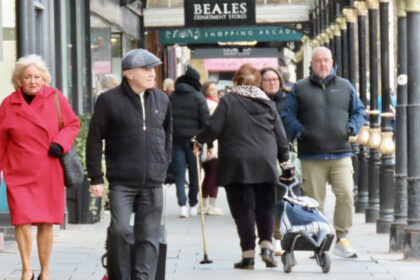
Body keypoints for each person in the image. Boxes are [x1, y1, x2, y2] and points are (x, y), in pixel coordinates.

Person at [193, 64, 294, 270]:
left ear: (236, 81)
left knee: (243, 210)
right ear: (258, 82)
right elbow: (281, 139)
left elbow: (214, 127)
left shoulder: (229, 100)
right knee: (266, 206)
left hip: (236, 164)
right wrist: (286, 166)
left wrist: (197, 140)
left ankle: (248, 256)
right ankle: (266, 247)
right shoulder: (268, 103)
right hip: (265, 162)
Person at [86, 48, 172, 280]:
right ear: (129, 73)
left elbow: (167, 136)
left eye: (153, 69)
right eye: (146, 69)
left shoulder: (162, 99)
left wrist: (163, 171)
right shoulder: (108, 101)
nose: (152, 74)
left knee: (149, 236)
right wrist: (95, 177)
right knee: (120, 231)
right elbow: (94, 138)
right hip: (122, 182)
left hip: (153, 181)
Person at [0, 54, 80, 280]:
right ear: (19, 80)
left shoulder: (56, 98)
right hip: (18, 170)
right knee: (21, 220)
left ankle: (45, 271)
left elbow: (73, 124)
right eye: (28, 77)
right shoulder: (8, 103)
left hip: (48, 168)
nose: (33, 81)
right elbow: (1, 140)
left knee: (46, 221)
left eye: (37, 77)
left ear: (44, 79)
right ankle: (26, 269)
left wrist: (60, 143)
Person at [282, 46, 366, 258]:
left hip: (341, 152)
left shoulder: (345, 86)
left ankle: (342, 237)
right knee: (313, 201)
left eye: (326, 60)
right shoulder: (300, 88)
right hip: (312, 155)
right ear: (311, 64)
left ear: (332, 62)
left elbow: (359, 111)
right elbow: (287, 115)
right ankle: (317, 239)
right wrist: (300, 131)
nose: (322, 64)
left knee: (346, 194)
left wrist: (352, 128)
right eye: (318, 60)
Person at [169, 66, 210, 218]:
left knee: (179, 174)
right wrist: (208, 143)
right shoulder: (199, 97)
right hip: (195, 141)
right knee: (195, 173)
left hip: (176, 140)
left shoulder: (171, 97)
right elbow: (206, 122)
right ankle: (193, 204)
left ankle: (182, 205)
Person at [260, 67, 289, 256]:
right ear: (260, 83)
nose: (272, 83)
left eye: (275, 79)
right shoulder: (256, 102)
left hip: (285, 155)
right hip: (263, 155)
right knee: (266, 199)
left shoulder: (289, 100)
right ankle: (267, 237)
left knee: (281, 198)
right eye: (268, 80)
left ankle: (276, 238)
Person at [199, 81, 224, 216]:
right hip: (213, 145)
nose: (214, 92)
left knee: (208, 175)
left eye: (215, 89)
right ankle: (211, 205)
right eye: (211, 89)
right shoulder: (214, 105)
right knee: (214, 175)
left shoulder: (203, 103)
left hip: (205, 143)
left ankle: (203, 204)